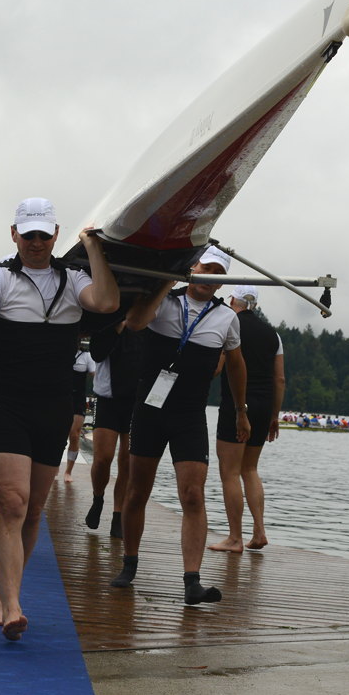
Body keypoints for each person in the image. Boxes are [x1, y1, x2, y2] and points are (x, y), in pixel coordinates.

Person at [0, 198, 119, 640]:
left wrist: (94, 246)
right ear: (14, 235)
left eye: (45, 235)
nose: (37, 243)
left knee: (34, 512)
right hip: (10, 404)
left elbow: (106, 301)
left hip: (54, 408)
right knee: (11, 503)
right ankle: (11, 604)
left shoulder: (75, 279)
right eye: (29, 235)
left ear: (56, 235)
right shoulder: (0, 275)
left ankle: (2, 591)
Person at [110, 247, 249, 604]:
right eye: (204, 268)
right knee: (138, 491)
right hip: (150, 409)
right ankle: (129, 563)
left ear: (223, 279)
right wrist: (166, 284)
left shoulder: (226, 318)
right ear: (192, 268)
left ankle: (192, 581)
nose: (208, 276)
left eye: (217, 271)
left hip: (189, 414)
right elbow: (136, 322)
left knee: (193, 494)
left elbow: (236, 366)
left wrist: (241, 410)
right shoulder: (165, 302)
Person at [208, 284, 285, 553]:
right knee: (249, 469)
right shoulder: (273, 334)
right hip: (264, 405)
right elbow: (279, 378)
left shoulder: (228, 324)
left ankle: (234, 538)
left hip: (237, 404)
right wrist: (275, 415)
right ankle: (260, 532)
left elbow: (217, 368)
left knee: (229, 472)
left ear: (233, 300)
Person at [85, 323, 143, 538]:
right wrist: (118, 325)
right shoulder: (110, 319)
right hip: (108, 397)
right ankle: (98, 497)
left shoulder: (149, 321)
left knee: (127, 460)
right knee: (103, 458)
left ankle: (118, 513)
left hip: (137, 399)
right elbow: (97, 353)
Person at [63, 342, 96, 483]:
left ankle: (68, 471)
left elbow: (95, 374)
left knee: (74, 435)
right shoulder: (62, 350)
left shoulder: (87, 356)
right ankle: (53, 465)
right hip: (61, 397)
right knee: (57, 435)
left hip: (78, 400)